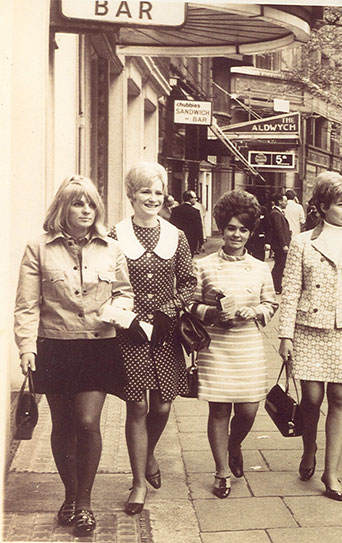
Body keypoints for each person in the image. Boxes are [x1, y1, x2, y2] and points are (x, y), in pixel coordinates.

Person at [14, 175, 135, 536]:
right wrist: (26, 348)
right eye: (78, 203)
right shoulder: (38, 247)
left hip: (97, 346)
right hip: (55, 345)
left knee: (86, 422)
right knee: (63, 425)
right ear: (62, 209)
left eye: (90, 204)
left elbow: (125, 293)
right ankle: (69, 497)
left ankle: (84, 502)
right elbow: (26, 305)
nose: (86, 210)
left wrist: (117, 309)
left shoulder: (110, 248)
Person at [278, 172, 342, 501]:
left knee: (339, 398)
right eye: (341, 204)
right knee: (310, 399)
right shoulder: (302, 243)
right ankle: (310, 449)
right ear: (322, 207)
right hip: (309, 330)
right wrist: (285, 335)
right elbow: (290, 291)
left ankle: (331, 472)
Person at [110, 162, 196, 514]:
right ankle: (138, 483)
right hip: (130, 331)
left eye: (158, 192)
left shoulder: (176, 236)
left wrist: (170, 310)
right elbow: (107, 283)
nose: (152, 198)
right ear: (131, 194)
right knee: (138, 405)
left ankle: (148, 455)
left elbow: (190, 283)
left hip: (165, 331)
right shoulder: (114, 236)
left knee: (162, 405)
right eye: (145, 191)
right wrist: (123, 317)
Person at [190, 190, 278, 499]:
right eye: (230, 228)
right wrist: (212, 313)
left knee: (248, 410)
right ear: (221, 228)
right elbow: (190, 307)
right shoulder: (202, 266)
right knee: (218, 411)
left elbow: (270, 304)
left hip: (247, 346)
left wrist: (253, 312)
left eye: (243, 229)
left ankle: (234, 444)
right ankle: (221, 471)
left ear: (251, 231)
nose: (236, 234)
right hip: (216, 347)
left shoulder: (259, 268)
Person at [268, 192, 291, 294]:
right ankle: (275, 286)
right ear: (280, 202)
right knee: (279, 265)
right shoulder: (276, 214)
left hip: (280, 244)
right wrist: (284, 244)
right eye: (285, 201)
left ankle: (276, 285)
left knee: (280, 265)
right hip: (280, 245)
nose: (286, 203)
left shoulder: (278, 213)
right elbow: (278, 230)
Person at [169, 190, 203, 255]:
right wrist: (201, 242)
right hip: (191, 239)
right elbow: (198, 228)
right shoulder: (195, 212)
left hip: (177, 239)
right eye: (195, 198)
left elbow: (171, 225)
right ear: (190, 199)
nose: (196, 199)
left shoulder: (175, 210)